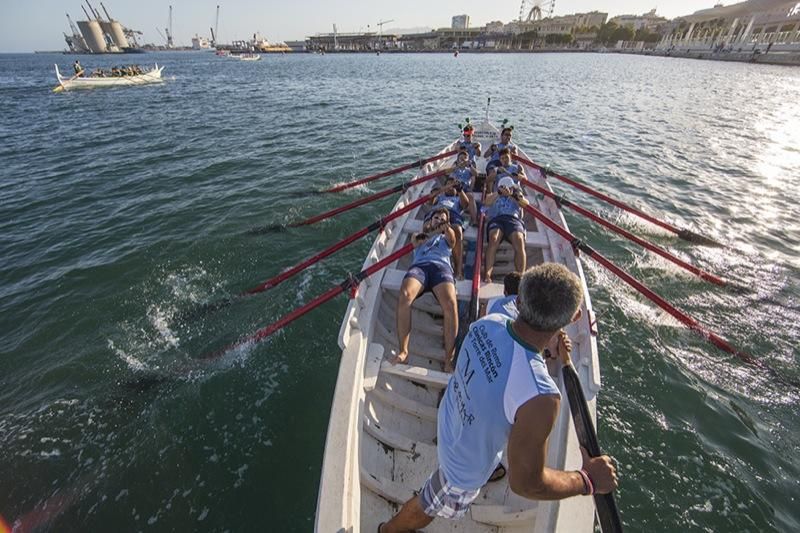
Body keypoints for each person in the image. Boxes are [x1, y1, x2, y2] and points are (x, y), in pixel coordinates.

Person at [378, 263, 618, 533]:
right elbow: (526, 483)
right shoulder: (542, 396)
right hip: (462, 468)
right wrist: (586, 480)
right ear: (571, 319)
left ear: (518, 300)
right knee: (430, 502)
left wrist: (549, 348)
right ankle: (388, 529)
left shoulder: (488, 321)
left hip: (452, 419)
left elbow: (509, 361)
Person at [391, 208, 459, 373]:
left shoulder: (446, 238)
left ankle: (448, 359)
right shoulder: (419, 235)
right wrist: (427, 234)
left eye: (443, 218)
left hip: (441, 268)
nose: (439, 220)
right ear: (429, 221)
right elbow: (416, 240)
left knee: (450, 305)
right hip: (420, 268)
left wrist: (446, 228)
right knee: (405, 295)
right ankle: (403, 351)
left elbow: (453, 238)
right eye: (436, 218)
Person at [483, 176, 528, 281]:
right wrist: (498, 193)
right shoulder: (495, 195)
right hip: (496, 220)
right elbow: (487, 202)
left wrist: (512, 195)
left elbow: (525, 204)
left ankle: (521, 276)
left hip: (513, 220)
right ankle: (487, 275)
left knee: (519, 240)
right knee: (493, 238)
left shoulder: (516, 195)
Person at [430, 177, 471, 279]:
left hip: (453, 214)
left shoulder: (458, 198)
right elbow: (430, 199)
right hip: (437, 213)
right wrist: (443, 189)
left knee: (457, 229)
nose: (450, 187)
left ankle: (458, 270)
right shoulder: (439, 196)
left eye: (452, 185)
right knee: (426, 227)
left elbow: (466, 204)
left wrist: (460, 190)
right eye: (448, 185)